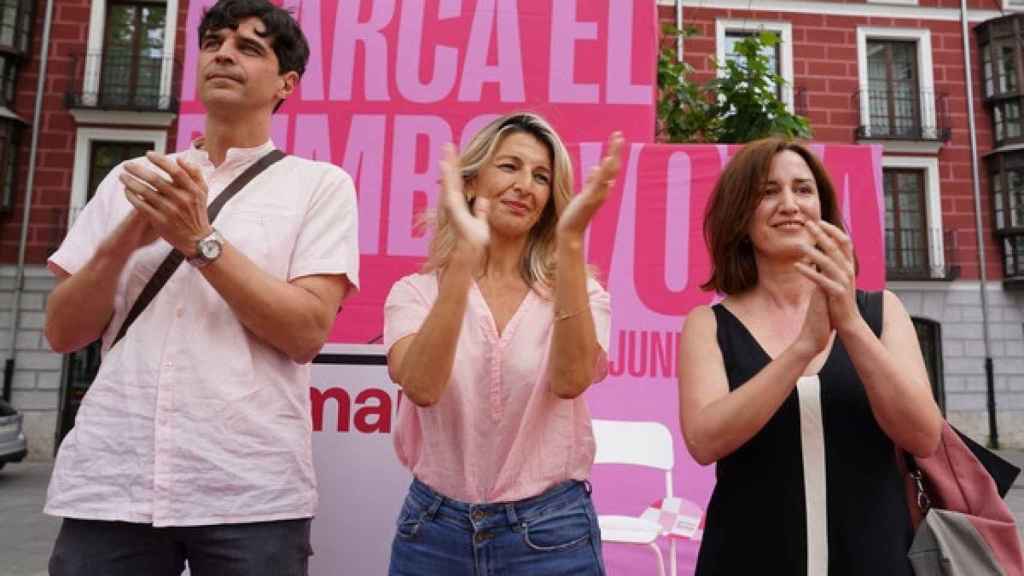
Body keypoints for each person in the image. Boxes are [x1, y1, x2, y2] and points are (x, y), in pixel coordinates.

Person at [43, 1, 359, 574]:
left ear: (286, 83)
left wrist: (198, 239)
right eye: (214, 42)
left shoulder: (320, 186)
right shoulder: (132, 179)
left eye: (249, 47)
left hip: (249, 490)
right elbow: (63, 332)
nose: (224, 53)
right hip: (112, 482)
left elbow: (306, 333)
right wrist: (121, 243)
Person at [677, 138, 943, 575]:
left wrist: (851, 325)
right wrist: (803, 349)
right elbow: (704, 441)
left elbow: (924, 435)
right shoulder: (709, 325)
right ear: (740, 217)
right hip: (747, 560)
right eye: (768, 192)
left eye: (803, 189)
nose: (789, 204)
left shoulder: (882, 311)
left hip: (875, 560)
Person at [383, 112, 621, 575]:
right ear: (471, 183)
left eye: (541, 177)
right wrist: (463, 261)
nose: (525, 186)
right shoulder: (414, 293)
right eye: (510, 166)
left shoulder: (583, 293)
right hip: (433, 533)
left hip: (551, 533)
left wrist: (570, 243)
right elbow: (422, 388)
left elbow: (572, 380)